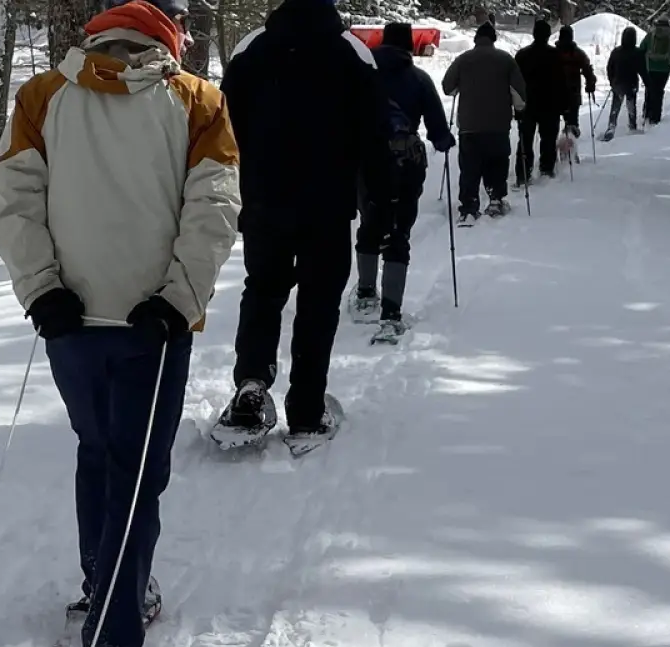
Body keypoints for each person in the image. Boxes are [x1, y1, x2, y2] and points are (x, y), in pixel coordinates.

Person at [0, 0, 240, 647]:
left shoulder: (43, 96)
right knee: (135, 476)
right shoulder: (198, 101)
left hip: (72, 321)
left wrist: (41, 290)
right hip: (152, 324)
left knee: (99, 454)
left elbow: (13, 198)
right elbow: (215, 206)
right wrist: (178, 297)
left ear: (98, 39)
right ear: (167, 43)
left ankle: (106, 588)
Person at [219, 0, 392, 440]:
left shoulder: (250, 50)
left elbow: (224, 128)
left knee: (262, 290)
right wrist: (380, 201)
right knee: (318, 305)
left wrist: (235, 194)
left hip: (263, 203)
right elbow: (376, 136)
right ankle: (307, 408)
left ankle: (252, 383)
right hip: (328, 208)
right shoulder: (353, 53)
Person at [353, 21, 453, 331]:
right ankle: (391, 313)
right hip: (405, 165)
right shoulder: (419, 79)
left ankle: (366, 292)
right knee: (398, 233)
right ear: (409, 46)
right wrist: (444, 140)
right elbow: (438, 129)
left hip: (366, 163)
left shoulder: (362, 76)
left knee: (369, 223)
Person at [441, 23, 526, 222]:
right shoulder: (506, 60)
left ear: (476, 39)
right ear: (494, 39)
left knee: (469, 166)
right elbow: (519, 94)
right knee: (496, 162)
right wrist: (519, 109)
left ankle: (469, 206)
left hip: (469, 126)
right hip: (497, 125)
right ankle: (495, 199)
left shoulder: (463, 60)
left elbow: (448, 88)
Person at [513, 18, 565, 183]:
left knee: (525, 140)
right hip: (550, 105)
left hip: (527, 104)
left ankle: (523, 173)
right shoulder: (555, 55)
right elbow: (562, 82)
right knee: (548, 139)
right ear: (548, 35)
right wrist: (565, 105)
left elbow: (515, 82)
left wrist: (516, 105)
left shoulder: (522, 55)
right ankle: (546, 169)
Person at [554, 25, 597, 139]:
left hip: (555, 93)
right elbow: (587, 69)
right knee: (572, 123)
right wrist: (590, 83)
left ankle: (554, 148)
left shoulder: (553, 53)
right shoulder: (578, 53)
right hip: (573, 93)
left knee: (553, 125)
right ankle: (571, 146)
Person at [603, 26, 644, 139]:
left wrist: (611, 81)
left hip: (618, 83)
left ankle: (611, 126)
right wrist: (648, 82)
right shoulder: (637, 52)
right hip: (631, 84)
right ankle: (632, 126)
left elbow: (609, 67)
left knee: (615, 107)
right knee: (631, 106)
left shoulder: (616, 51)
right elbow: (642, 70)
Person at [641, 17, 670, 124]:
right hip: (663, 69)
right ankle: (655, 118)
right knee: (658, 92)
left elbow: (641, 49)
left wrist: (639, 66)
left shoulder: (650, 36)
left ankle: (646, 114)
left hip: (649, 68)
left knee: (649, 90)